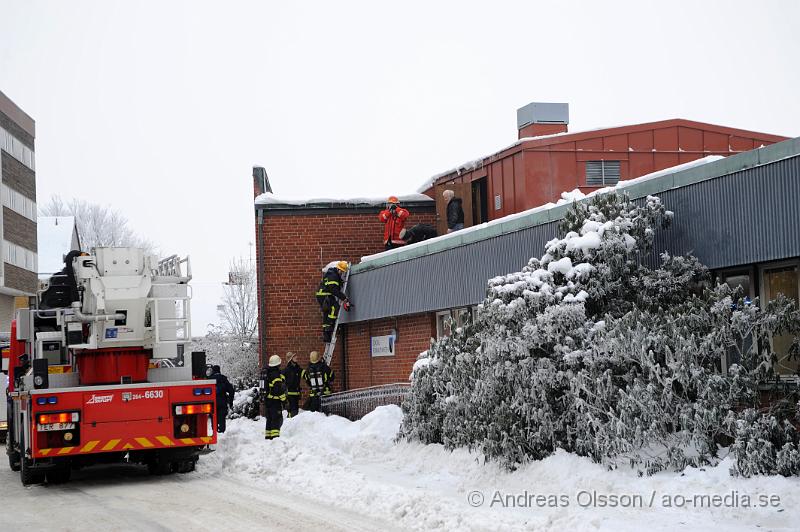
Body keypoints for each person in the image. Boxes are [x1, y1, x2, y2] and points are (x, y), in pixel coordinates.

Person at [315, 261, 351, 343]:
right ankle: (330, 327)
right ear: (338, 269)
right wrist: (344, 298)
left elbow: (333, 286)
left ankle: (326, 334)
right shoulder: (333, 276)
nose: (342, 273)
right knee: (335, 308)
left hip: (323, 295)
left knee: (327, 312)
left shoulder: (332, 274)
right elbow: (333, 290)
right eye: (341, 271)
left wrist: (340, 282)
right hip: (325, 295)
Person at [260, 355, 287, 440]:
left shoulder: (267, 372)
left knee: (269, 419)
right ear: (278, 363)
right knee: (276, 419)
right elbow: (278, 390)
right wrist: (284, 400)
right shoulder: (275, 374)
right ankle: (275, 438)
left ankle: (268, 437)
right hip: (275, 401)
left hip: (268, 400)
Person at [209, 365, 235, 434]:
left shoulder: (209, 379)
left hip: (212, 402)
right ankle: (222, 432)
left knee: (213, 416)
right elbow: (231, 390)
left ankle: (214, 431)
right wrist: (230, 402)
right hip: (222, 401)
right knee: (222, 417)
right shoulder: (223, 379)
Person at [282, 351, 302, 417]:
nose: (296, 357)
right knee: (292, 411)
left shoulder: (297, 368)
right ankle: (289, 423)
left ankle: (293, 424)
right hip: (290, 394)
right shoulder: (286, 370)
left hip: (296, 393)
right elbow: (281, 383)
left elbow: (304, 374)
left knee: (296, 410)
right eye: (294, 356)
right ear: (291, 359)